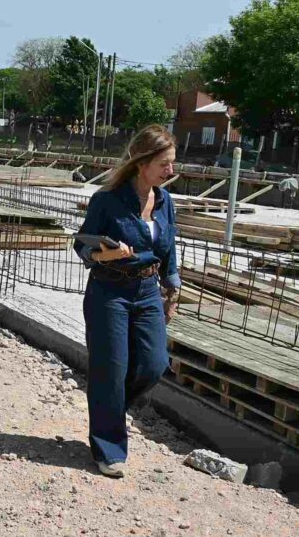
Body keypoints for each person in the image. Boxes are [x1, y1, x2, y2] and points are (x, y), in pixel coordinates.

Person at [73, 124, 181, 478]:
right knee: (110, 370)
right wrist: (110, 254)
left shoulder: (166, 202)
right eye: (164, 164)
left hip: (148, 292)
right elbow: (82, 246)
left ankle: (111, 410)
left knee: (153, 364)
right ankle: (108, 449)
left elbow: (170, 250)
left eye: (172, 163)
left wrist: (172, 286)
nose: (171, 171)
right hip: (110, 290)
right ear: (141, 163)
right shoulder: (107, 200)